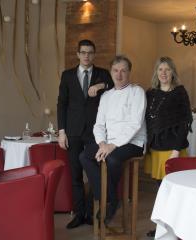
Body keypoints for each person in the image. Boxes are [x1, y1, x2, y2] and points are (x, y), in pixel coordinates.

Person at [80, 55, 146, 225]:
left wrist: (112, 146)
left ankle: (106, 199)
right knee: (85, 155)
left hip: (133, 142)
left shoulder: (137, 92)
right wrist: (102, 143)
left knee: (113, 158)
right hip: (108, 142)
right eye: (116, 70)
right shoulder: (106, 96)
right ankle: (110, 198)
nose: (119, 74)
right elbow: (99, 125)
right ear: (111, 72)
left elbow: (135, 124)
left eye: (123, 70)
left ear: (129, 72)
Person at [57, 39, 113, 229]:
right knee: (75, 176)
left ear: (94, 54)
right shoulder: (67, 75)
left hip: (95, 134)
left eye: (90, 52)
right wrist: (61, 132)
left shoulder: (102, 74)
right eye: (83, 52)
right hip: (72, 133)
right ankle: (79, 214)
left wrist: (100, 86)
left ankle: (90, 212)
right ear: (78, 54)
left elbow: (115, 87)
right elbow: (62, 104)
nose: (87, 55)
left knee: (94, 173)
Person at [144, 56, 192, 237]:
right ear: (156, 73)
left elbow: (184, 123)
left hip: (173, 150)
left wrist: (175, 151)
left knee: (175, 191)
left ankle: (179, 229)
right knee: (161, 191)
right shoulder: (151, 93)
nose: (163, 73)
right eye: (160, 70)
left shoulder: (179, 92)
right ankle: (162, 227)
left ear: (173, 73)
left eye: (167, 69)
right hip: (155, 148)